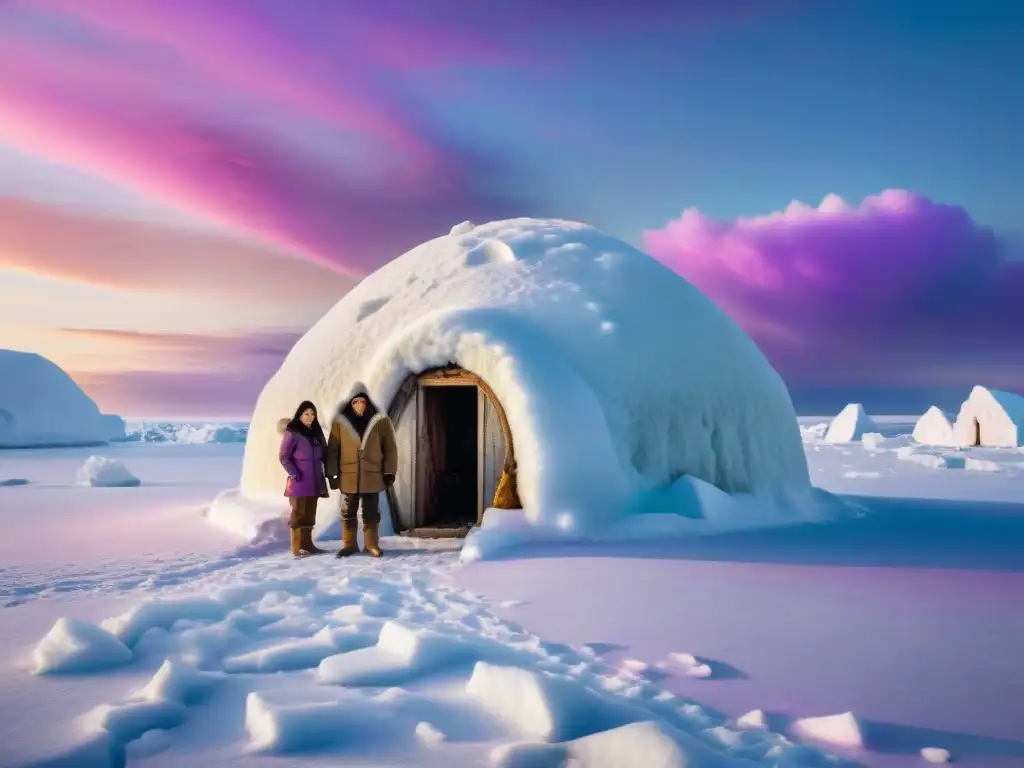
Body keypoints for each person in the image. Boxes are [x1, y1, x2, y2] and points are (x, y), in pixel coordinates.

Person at [325, 382, 398, 558]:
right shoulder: (340, 423)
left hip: (372, 475)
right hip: (348, 475)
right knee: (348, 511)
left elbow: (390, 448)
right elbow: (333, 449)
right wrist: (332, 473)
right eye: (356, 402)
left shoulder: (380, 421)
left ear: (368, 403)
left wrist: (389, 472)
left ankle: (371, 544)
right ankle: (349, 544)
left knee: (371, 511)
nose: (359, 405)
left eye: (362, 402)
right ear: (350, 403)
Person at [278, 400, 329, 557]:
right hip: (299, 480)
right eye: (306, 414)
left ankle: (308, 545)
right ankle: (296, 547)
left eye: (312, 414)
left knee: (309, 513)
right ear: (299, 415)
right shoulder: (292, 433)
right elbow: (284, 457)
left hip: (314, 480)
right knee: (298, 513)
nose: (310, 417)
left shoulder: (315, 434)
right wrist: (294, 473)